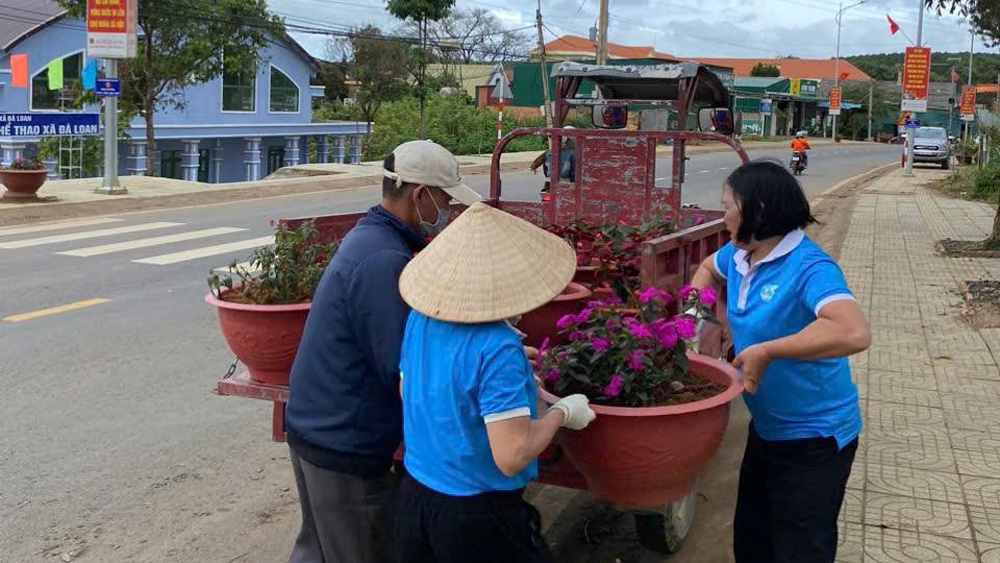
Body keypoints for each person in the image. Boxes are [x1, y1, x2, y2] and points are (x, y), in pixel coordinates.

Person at [283, 140, 482, 563]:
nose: (446, 210)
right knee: (361, 550)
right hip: (344, 440)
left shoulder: (375, 237)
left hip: (316, 425)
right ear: (419, 195)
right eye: (444, 199)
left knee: (320, 549)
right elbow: (403, 367)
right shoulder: (383, 260)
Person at [394, 202, 597, 562]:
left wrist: (506, 373)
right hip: (476, 517)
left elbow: (409, 389)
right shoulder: (497, 348)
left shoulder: (421, 319)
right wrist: (562, 413)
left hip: (416, 498)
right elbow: (511, 454)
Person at [691, 160, 871, 563]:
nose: (722, 218)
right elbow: (706, 270)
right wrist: (705, 318)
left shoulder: (809, 267)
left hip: (816, 439)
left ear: (759, 211)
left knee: (800, 549)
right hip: (768, 430)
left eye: (727, 208)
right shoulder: (740, 254)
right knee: (753, 543)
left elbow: (854, 331)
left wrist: (768, 349)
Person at [530, 126, 577, 194]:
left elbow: (545, 170)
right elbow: (574, 173)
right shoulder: (573, 153)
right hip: (567, 185)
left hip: (549, 184)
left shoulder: (548, 153)